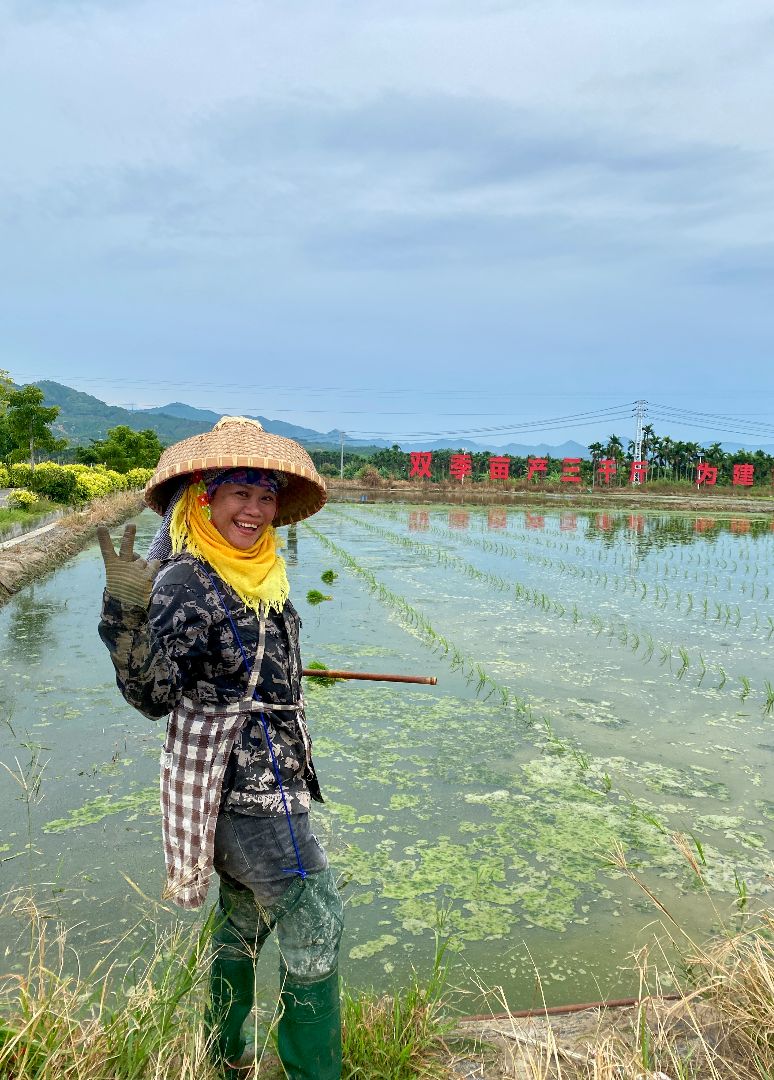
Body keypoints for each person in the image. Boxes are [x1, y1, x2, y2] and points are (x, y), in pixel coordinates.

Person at [97, 416, 343, 1080]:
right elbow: (154, 696)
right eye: (240, 493)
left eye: (266, 496)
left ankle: (224, 1056)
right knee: (316, 918)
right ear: (204, 498)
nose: (256, 510)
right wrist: (124, 616)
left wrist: (271, 678)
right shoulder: (189, 581)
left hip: (272, 776)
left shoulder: (254, 573)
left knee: (241, 922)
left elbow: (236, 662)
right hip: (247, 793)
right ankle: (313, 1072)